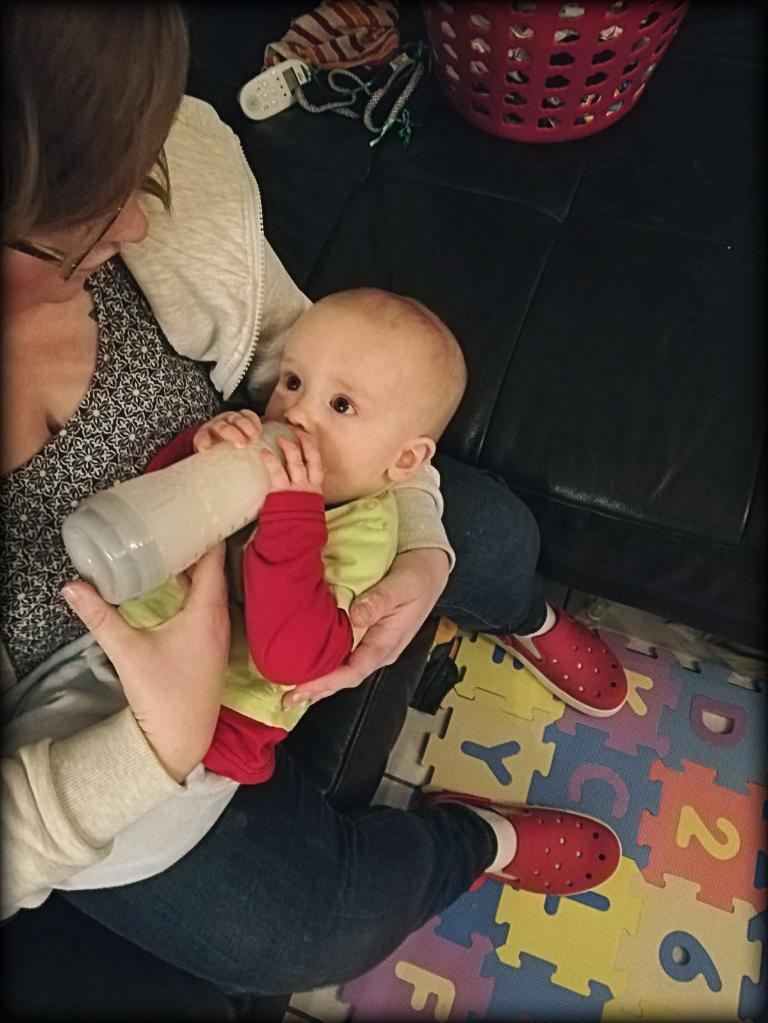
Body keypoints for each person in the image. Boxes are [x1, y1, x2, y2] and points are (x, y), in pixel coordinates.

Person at [1, 1, 626, 1000]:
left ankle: (524, 614)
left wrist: (418, 549)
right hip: (104, 715)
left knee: (494, 533)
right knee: (312, 931)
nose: (137, 221)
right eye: (73, 222)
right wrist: (152, 746)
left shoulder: (163, 155)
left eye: (138, 169)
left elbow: (322, 359)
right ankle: (472, 840)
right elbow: (289, 658)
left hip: (289, 517)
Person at [120, 287, 469, 785]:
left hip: (216, 727)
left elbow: (291, 660)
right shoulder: (262, 461)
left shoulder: (365, 537)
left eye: (341, 405)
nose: (295, 413)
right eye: (292, 381)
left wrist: (292, 519)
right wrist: (197, 456)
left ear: (406, 460)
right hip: (127, 641)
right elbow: (153, 513)